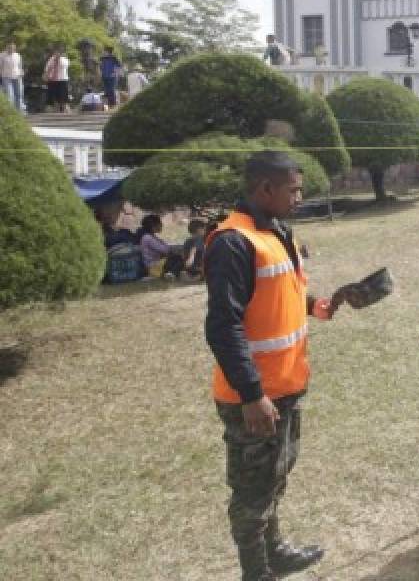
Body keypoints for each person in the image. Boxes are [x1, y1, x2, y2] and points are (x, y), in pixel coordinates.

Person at [205, 151, 340, 580]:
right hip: (254, 397)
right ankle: (256, 571)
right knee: (251, 493)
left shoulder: (277, 231)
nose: (300, 197)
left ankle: (275, 553)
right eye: (294, 189)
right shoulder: (232, 242)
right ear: (266, 189)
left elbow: (281, 293)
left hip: (285, 387)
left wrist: (317, 306)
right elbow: (224, 327)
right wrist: (252, 395)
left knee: (274, 478)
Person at [138, 214, 184, 278]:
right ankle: (171, 274)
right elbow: (165, 250)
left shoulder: (152, 237)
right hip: (153, 266)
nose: (161, 225)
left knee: (177, 257)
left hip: (158, 263)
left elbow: (166, 248)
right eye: (160, 224)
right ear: (153, 226)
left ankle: (171, 273)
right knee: (177, 258)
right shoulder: (147, 238)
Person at [43, 47, 70, 112]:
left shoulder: (64, 60)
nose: (56, 54)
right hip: (52, 80)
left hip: (62, 79)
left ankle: (64, 108)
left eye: (58, 53)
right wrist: (46, 76)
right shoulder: (51, 59)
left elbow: (64, 66)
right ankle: (54, 109)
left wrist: (57, 60)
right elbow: (47, 69)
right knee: (52, 95)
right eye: (55, 53)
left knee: (63, 95)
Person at [1, 42, 24, 113]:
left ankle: (19, 111)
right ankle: (10, 112)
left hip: (17, 76)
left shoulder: (17, 55)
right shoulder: (2, 55)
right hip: (6, 77)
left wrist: (21, 72)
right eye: (10, 48)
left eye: (13, 48)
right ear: (7, 47)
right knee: (9, 95)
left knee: (19, 94)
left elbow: (20, 66)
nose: (11, 49)